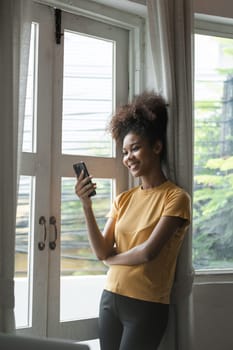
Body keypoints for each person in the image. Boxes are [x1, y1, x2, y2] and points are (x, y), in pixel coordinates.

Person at [75, 91, 191, 350]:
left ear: (157, 147)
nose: (128, 158)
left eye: (135, 148)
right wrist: (86, 205)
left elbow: (148, 252)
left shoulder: (176, 198)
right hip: (110, 299)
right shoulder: (123, 199)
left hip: (147, 305)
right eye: (125, 152)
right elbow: (102, 249)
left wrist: (112, 260)